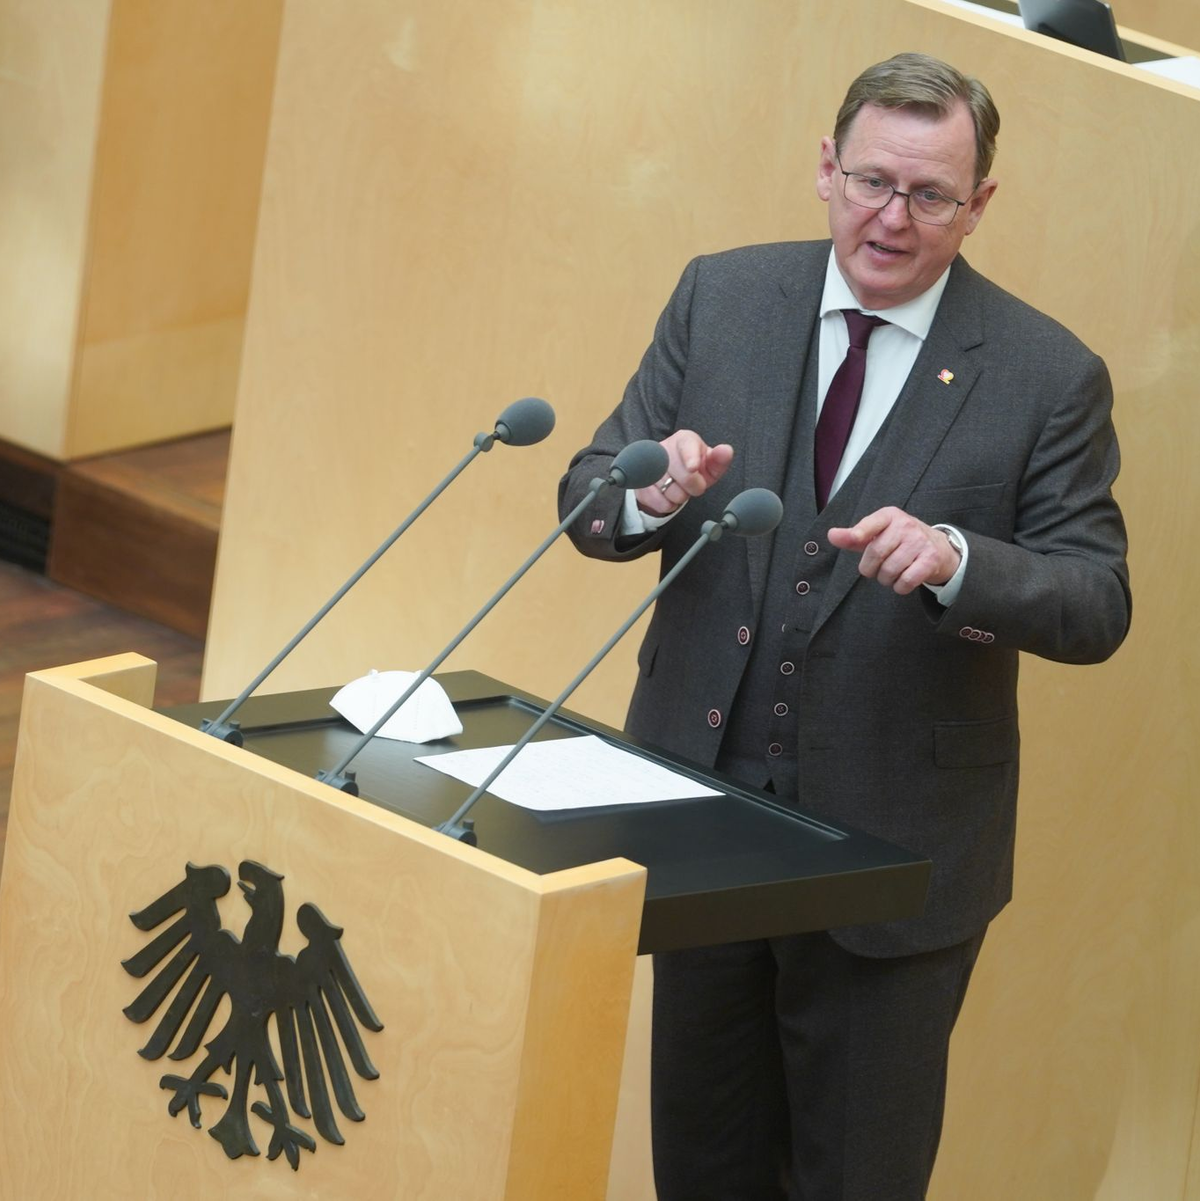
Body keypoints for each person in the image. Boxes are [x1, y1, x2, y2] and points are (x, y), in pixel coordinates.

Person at [558, 52, 1131, 1201]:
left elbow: (1096, 601)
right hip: (701, 825)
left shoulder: (1046, 373)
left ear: (979, 205)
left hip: (895, 854)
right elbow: (589, 496)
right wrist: (646, 494)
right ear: (827, 167)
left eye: (929, 195)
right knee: (703, 1168)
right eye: (872, 181)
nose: (891, 218)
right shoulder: (723, 297)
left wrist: (962, 563)